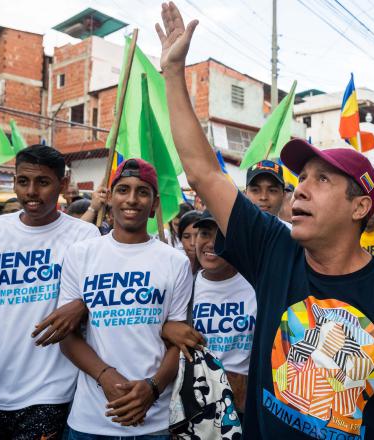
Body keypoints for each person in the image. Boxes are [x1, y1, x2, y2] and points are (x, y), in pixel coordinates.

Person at [156, 4, 374, 438]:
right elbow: (204, 173)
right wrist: (173, 71)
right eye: (300, 178)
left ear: (360, 207)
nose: (299, 189)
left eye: (322, 180)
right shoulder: (274, 253)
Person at [0, 145, 101, 439]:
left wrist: (81, 303)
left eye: (43, 182)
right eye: (23, 181)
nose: (31, 191)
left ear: (62, 185)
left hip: (52, 392)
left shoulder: (84, 236)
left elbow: (101, 302)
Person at [56, 158, 191, 439]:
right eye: (123, 189)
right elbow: (66, 337)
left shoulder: (176, 261)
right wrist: (105, 375)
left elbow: (179, 343)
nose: (132, 199)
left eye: (143, 192)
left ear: (154, 204)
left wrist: (152, 388)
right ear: (110, 198)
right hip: (90, 420)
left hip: (154, 422)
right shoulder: (80, 255)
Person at [168, 210, 256, 416]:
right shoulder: (184, 286)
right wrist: (167, 328)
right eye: (205, 234)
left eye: (222, 235)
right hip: (199, 408)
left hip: (247, 407)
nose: (211, 243)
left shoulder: (257, 285)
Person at [177, 210, 203, 274]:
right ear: (180, 238)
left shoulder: (215, 269)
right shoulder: (176, 266)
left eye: (197, 236)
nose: (192, 243)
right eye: (186, 236)